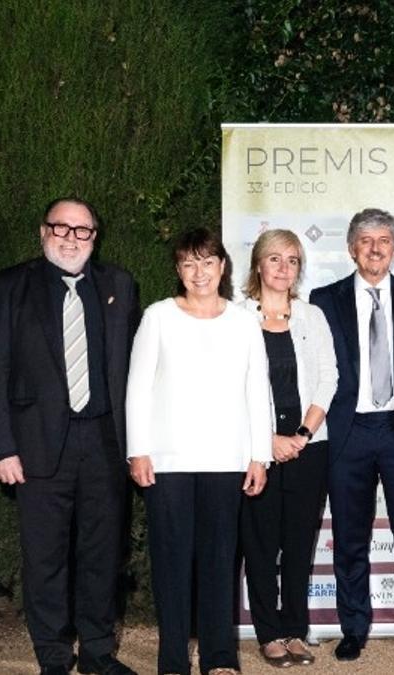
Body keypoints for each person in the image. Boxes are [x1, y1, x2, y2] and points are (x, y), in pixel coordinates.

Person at [0, 198, 140, 675]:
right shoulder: (11, 285)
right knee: (45, 559)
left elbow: (137, 369)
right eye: (61, 228)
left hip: (106, 444)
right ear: (43, 230)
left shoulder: (119, 286)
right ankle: (52, 654)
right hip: (35, 447)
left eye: (82, 231)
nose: (71, 238)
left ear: (95, 237)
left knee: (102, 555)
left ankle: (97, 652)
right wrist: (1, 447)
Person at [126, 227, 271, 675]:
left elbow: (256, 389)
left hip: (227, 460)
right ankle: (172, 661)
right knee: (170, 565)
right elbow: (137, 389)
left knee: (219, 562)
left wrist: (259, 455)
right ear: (178, 270)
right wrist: (138, 451)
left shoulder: (245, 320)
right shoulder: (158, 317)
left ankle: (219, 657)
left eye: (207, 262)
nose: (199, 272)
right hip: (167, 461)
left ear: (222, 267)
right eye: (189, 263)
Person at [309, 208, 394, 662]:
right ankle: (353, 627)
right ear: (351, 248)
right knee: (349, 539)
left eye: (383, 240)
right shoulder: (323, 300)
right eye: (366, 240)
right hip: (346, 433)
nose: (374, 248)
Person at [238, 229, 337, 668]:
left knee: (299, 544)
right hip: (256, 451)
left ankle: (295, 629)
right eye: (274, 259)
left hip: (308, 448)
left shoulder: (311, 316)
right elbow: (231, 388)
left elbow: (328, 379)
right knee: (260, 545)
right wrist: (267, 442)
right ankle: (268, 633)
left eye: (292, 260)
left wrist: (301, 435)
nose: (283, 268)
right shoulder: (235, 318)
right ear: (258, 264)